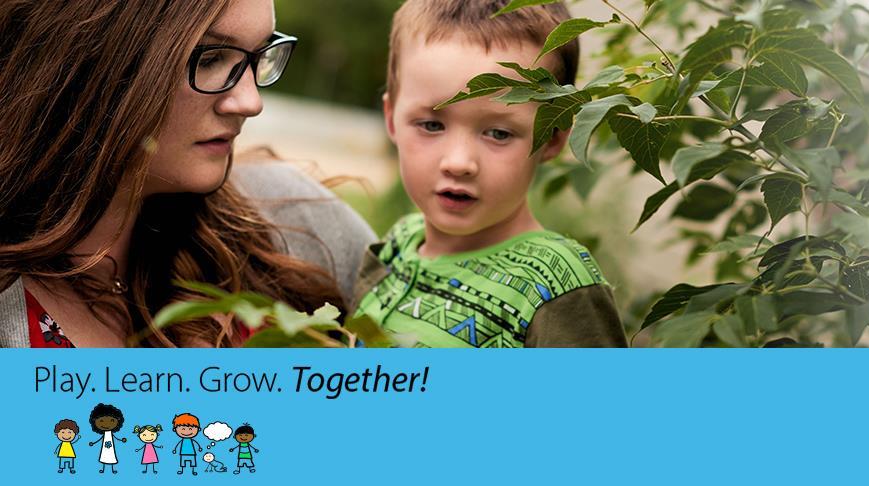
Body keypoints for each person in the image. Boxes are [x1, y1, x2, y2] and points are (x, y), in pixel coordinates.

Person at [0, 0, 374, 347]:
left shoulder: (294, 221)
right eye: (210, 57)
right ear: (91, 59)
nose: (250, 102)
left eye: (259, 55)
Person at [353, 0, 625, 348]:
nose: (459, 162)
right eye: (432, 125)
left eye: (499, 133)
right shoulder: (398, 244)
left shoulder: (558, 286)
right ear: (391, 119)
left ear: (552, 138)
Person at [85, 404, 126, 474]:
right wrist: (93, 443)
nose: (106, 424)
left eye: (112, 420)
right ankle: (103, 469)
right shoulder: (105, 434)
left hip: (111, 448)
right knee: (104, 455)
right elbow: (100, 439)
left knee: (112, 455)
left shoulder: (110, 434)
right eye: (101, 421)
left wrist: (121, 440)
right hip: (105, 448)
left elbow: (115, 437)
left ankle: (113, 469)